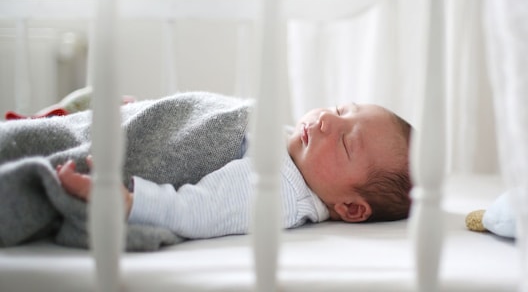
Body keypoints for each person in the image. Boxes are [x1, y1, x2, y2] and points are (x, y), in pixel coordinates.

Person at [2, 92, 412, 247]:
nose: (327, 120)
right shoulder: (290, 148)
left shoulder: (280, 189)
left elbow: (196, 209)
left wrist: (126, 200)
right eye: (342, 110)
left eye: (345, 141)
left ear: (352, 208)